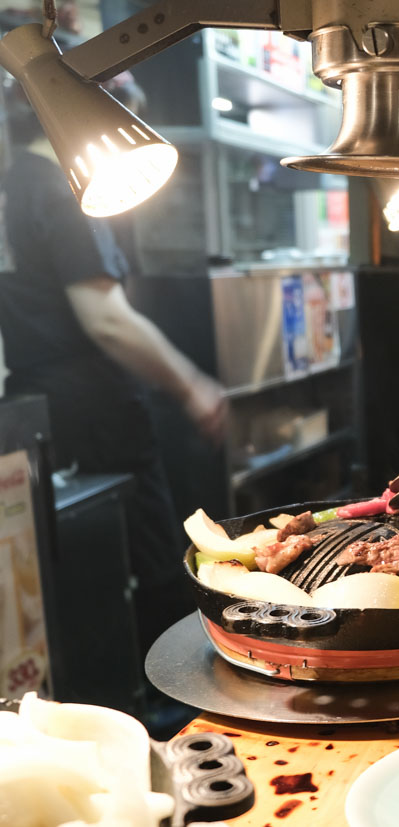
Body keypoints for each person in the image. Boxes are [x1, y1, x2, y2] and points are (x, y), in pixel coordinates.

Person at [0, 84, 226, 659]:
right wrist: (192, 387)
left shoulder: (12, 184)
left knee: (78, 583)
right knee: (143, 565)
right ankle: (168, 706)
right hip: (93, 411)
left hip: (34, 407)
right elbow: (106, 320)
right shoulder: (65, 189)